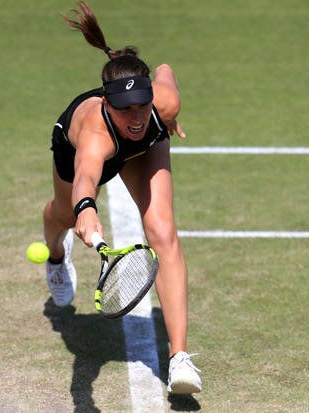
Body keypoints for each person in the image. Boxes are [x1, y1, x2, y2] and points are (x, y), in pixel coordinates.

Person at [42, 1, 202, 394]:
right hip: (80, 153)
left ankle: (180, 358)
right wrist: (85, 207)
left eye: (142, 105)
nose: (135, 116)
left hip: (145, 150)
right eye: (124, 109)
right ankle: (57, 257)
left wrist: (167, 118)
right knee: (62, 216)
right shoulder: (94, 134)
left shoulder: (160, 106)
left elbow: (165, 70)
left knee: (162, 230)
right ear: (106, 103)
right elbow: (85, 176)